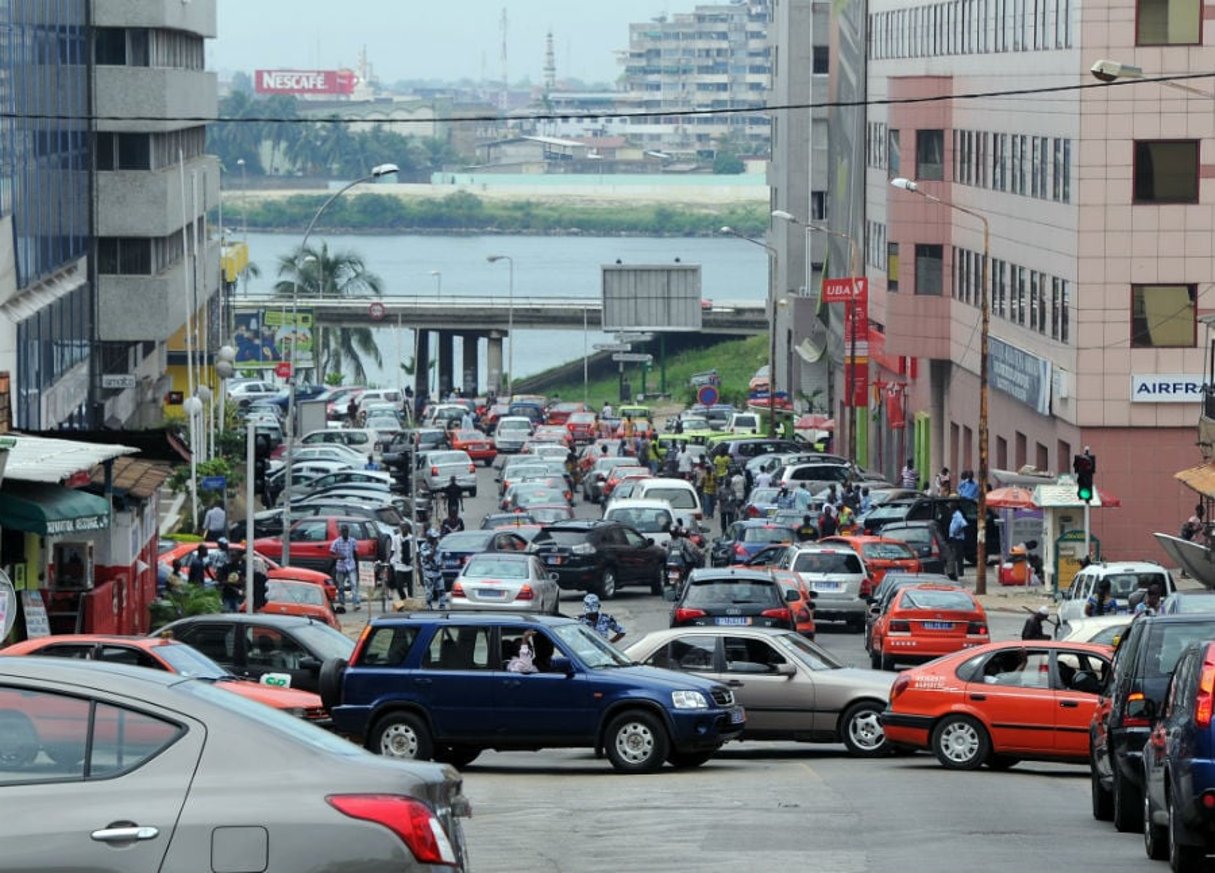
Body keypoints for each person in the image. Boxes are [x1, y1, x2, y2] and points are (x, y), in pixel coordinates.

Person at [330, 523, 361, 610]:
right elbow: (331, 554)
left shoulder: (353, 541)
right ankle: (342, 603)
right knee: (340, 586)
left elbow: (355, 554)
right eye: (343, 531)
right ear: (340, 532)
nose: (345, 533)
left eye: (346, 531)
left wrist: (357, 566)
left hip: (351, 566)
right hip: (340, 567)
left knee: (354, 585)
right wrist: (339, 557)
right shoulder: (336, 542)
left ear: (348, 532)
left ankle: (356, 604)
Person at [419, 528, 447, 609]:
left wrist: (442, 563)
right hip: (429, 572)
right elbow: (429, 557)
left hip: (438, 571)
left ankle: (442, 605)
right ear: (429, 538)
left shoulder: (439, 546)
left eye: (436, 538)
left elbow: (441, 557)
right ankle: (428, 605)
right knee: (429, 592)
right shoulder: (424, 546)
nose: (435, 539)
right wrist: (434, 547)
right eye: (433, 538)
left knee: (441, 589)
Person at [390, 522, 413, 601]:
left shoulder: (412, 538)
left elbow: (416, 551)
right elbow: (393, 550)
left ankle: (410, 600)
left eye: (405, 528)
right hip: (399, 565)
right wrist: (388, 560)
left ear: (408, 529)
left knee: (410, 585)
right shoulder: (395, 538)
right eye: (402, 528)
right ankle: (403, 598)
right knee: (399, 584)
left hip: (409, 565)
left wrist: (417, 563)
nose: (404, 530)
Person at [947, 507, 967, 581]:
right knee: (958, 555)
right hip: (956, 537)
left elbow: (962, 524)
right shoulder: (956, 515)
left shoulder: (957, 515)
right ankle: (959, 571)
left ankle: (960, 571)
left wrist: (955, 532)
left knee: (958, 555)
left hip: (957, 538)